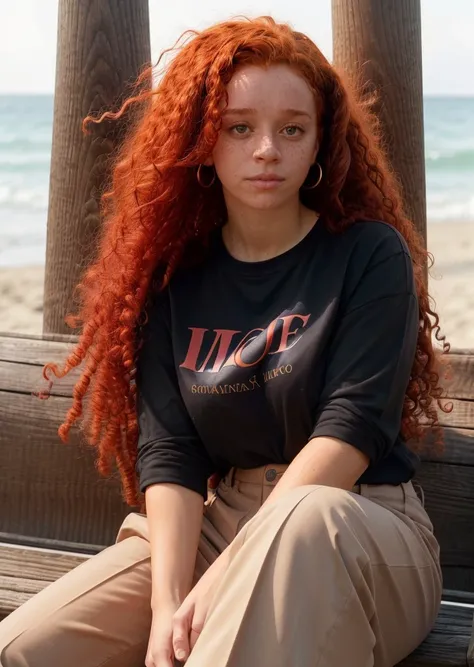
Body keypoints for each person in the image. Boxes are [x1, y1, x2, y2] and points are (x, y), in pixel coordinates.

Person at [0, 15, 449, 667]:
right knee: (27, 648)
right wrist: (166, 608)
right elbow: (172, 453)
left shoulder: (368, 255)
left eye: (292, 129)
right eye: (240, 127)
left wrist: (230, 574)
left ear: (321, 139)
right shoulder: (175, 278)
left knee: (285, 551)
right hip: (221, 519)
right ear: (204, 138)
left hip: (352, 527)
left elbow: (351, 431)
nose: (266, 148)